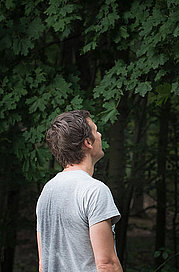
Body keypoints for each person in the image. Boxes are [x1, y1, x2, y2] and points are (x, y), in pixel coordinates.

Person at [36, 110, 122, 272]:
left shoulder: (47, 192)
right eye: (96, 131)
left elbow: (43, 263)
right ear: (88, 142)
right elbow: (106, 264)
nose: (100, 135)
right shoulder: (94, 191)